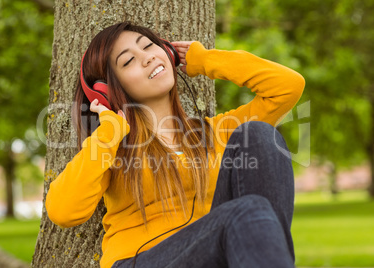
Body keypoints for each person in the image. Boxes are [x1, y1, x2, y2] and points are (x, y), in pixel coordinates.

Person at [45, 21, 305, 268]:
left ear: (168, 53)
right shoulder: (113, 147)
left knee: (260, 134)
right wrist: (108, 134)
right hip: (141, 261)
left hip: (211, 252)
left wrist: (204, 60)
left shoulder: (216, 132)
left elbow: (287, 87)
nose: (147, 57)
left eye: (148, 46)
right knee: (247, 211)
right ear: (108, 91)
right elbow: (63, 211)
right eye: (128, 61)